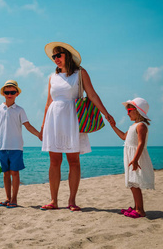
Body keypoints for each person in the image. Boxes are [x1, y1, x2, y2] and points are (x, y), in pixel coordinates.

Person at [39, 42, 115, 211]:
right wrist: (43, 126)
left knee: (73, 161)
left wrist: (106, 113)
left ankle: (72, 201)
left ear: (68, 55)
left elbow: (92, 94)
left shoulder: (80, 73)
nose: (56, 59)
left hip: (73, 118)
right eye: (54, 56)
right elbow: (48, 103)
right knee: (54, 161)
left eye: (59, 55)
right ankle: (53, 200)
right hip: (54, 120)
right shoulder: (52, 77)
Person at [0, 80, 40, 208]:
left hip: (16, 147)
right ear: (3, 94)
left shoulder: (20, 110)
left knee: (15, 173)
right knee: (6, 173)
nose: (9, 94)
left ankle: (14, 199)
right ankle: (7, 198)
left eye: (12, 92)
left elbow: (28, 125)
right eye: (7, 92)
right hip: (1, 146)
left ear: (17, 94)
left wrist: (39, 135)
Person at [110, 97, 154, 218]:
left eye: (129, 110)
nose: (127, 113)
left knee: (135, 184)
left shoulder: (141, 126)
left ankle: (140, 210)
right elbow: (124, 137)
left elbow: (141, 144)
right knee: (132, 183)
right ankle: (136, 207)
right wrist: (113, 126)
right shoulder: (133, 126)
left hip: (136, 157)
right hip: (130, 157)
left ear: (137, 111)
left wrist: (135, 160)